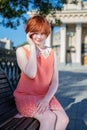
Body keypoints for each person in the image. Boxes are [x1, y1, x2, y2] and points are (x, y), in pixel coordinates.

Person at [13, 15, 69, 130]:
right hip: (26, 97)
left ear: (46, 33)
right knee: (49, 117)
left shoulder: (52, 53)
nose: (39, 37)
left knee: (64, 119)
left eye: (42, 33)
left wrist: (46, 99)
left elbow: (55, 82)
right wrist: (33, 47)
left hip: (45, 96)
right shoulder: (21, 51)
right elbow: (31, 73)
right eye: (35, 33)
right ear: (29, 33)